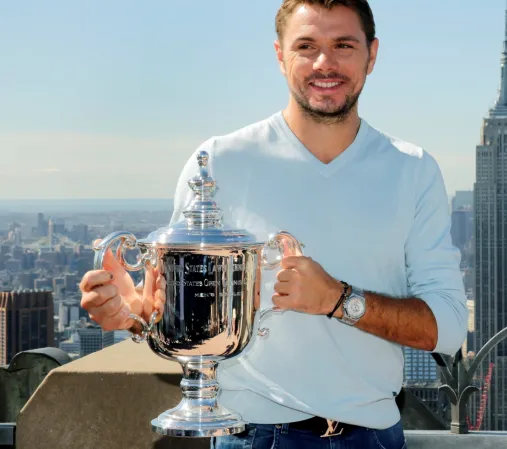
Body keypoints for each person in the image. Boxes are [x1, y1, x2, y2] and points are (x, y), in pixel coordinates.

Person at [79, 0, 467, 447]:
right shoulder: (218, 162)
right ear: (281, 56)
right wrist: (132, 314)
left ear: (372, 54)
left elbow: (448, 326)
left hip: (373, 436)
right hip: (251, 434)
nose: (324, 63)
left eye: (343, 45)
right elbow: (174, 314)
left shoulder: (412, 170)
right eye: (306, 46)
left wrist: (337, 300)